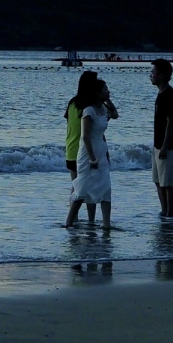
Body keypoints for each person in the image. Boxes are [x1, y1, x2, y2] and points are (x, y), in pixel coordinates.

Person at [65, 77, 115, 229]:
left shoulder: (103, 109)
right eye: (105, 89)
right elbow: (85, 137)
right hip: (88, 153)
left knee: (106, 187)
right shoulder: (88, 110)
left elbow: (115, 114)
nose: (108, 91)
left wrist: (108, 100)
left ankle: (106, 224)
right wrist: (93, 159)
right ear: (97, 93)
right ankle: (69, 221)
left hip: (101, 149)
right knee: (82, 188)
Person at [150, 58, 173, 218]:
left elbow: (172, 124)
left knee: (168, 183)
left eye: (153, 72)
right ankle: (164, 212)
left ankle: (170, 214)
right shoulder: (161, 94)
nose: (151, 75)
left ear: (161, 75)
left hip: (170, 146)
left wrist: (164, 147)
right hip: (158, 145)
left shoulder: (169, 95)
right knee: (158, 181)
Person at [64, 70, 101, 179]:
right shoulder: (90, 107)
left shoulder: (72, 102)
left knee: (77, 188)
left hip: (70, 149)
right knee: (84, 190)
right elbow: (98, 128)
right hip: (83, 152)